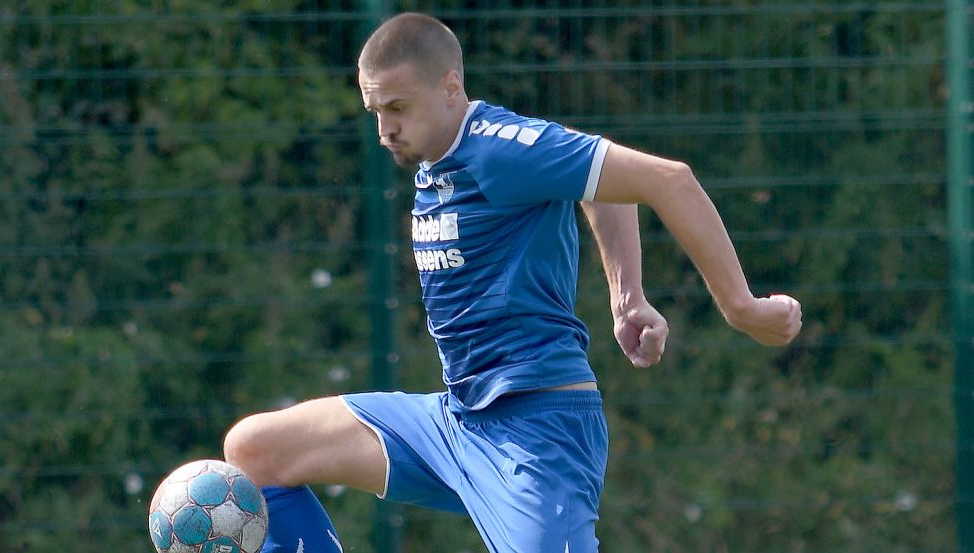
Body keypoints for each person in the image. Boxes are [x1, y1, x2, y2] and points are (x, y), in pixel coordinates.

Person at [223, 12, 803, 553]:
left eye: (398, 107)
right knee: (256, 451)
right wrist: (627, 298)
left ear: (451, 87)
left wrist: (742, 307)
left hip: (539, 433)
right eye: (375, 110)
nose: (386, 128)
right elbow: (596, 182)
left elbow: (667, 179)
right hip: (455, 421)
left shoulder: (498, 149)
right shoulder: (439, 152)